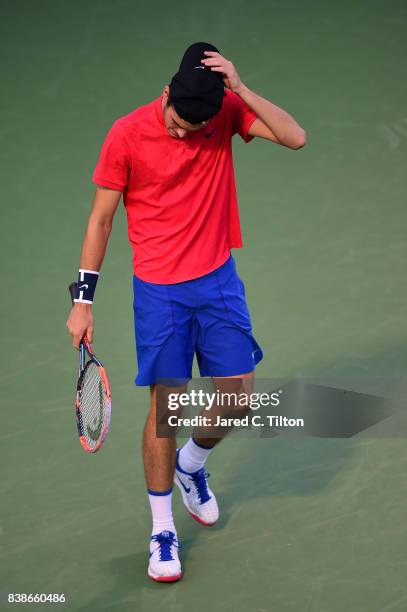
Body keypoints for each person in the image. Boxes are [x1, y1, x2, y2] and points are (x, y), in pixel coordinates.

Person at [66, 41, 306, 583]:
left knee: (239, 394)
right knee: (166, 408)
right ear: (167, 93)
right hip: (160, 292)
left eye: (194, 129)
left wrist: (241, 90)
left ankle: (190, 466)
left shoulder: (225, 112)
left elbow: (295, 137)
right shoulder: (126, 134)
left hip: (217, 281)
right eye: (176, 123)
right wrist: (82, 300)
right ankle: (161, 530)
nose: (182, 135)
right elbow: (101, 220)